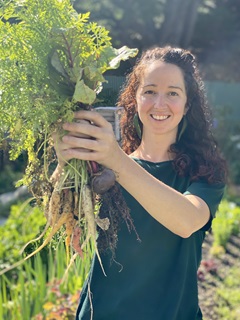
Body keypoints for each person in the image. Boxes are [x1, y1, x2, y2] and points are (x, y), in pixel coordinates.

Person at [54, 46, 227, 320]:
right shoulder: (102, 162)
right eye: (149, 91)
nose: (159, 104)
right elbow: (68, 220)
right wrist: (65, 164)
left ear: (187, 104)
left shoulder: (203, 171)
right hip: (101, 312)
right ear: (135, 99)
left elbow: (187, 221)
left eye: (172, 93)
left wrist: (116, 160)